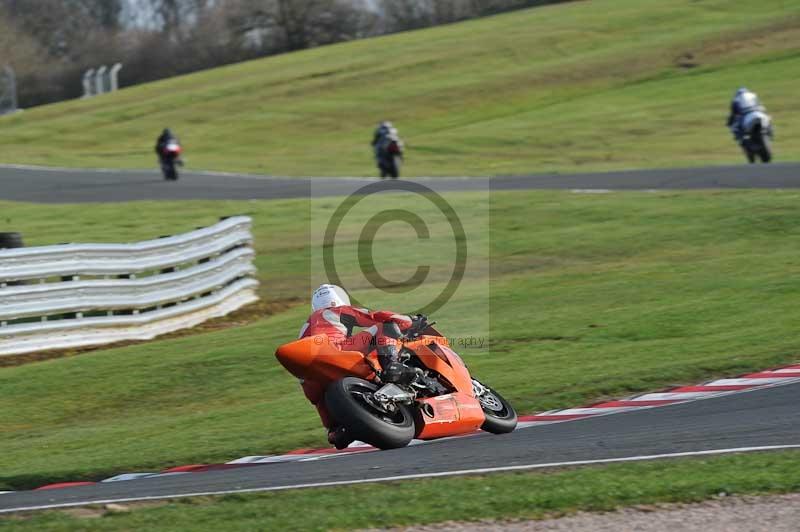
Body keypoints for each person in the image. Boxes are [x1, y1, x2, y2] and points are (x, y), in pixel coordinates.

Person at [297, 284, 421, 448]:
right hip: (336, 350)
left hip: (309, 376)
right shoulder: (336, 311)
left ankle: (336, 429)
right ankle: (393, 365)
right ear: (338, 299)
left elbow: (316, 397)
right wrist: (409, 321)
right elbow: (375, 316)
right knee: (384, 326)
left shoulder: (305, 327)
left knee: (319, 395)